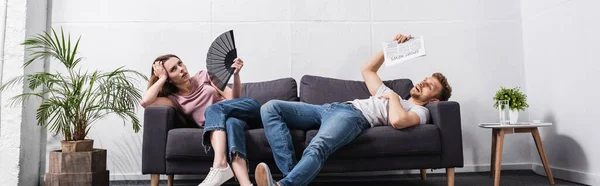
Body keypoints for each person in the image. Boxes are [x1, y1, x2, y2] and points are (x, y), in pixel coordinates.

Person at [254, 33, 453, 186]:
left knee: (317, 145)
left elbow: (398, 121)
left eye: (429, 86)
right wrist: (391, 48)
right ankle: (290, 179)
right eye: (425, 79)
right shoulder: (395, 96)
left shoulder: (421, 111)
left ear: (434, 99)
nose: (422, 82)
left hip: (353, 117)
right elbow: (368, 70)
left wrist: (392, 97)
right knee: (270, 108)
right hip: (330, 108)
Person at [142, 54, 260, 186]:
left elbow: (233, 99)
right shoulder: (174, 99)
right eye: (173, 69)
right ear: (169, 79)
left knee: (212, 110)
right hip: (229, 124)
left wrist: (236, 75)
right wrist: (162, 77)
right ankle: (246, 184)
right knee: (231, 123)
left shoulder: (204, 75)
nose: (181, 69)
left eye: (180, 63)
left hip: (244, 109)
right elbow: (146, 102)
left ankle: (220, 165)